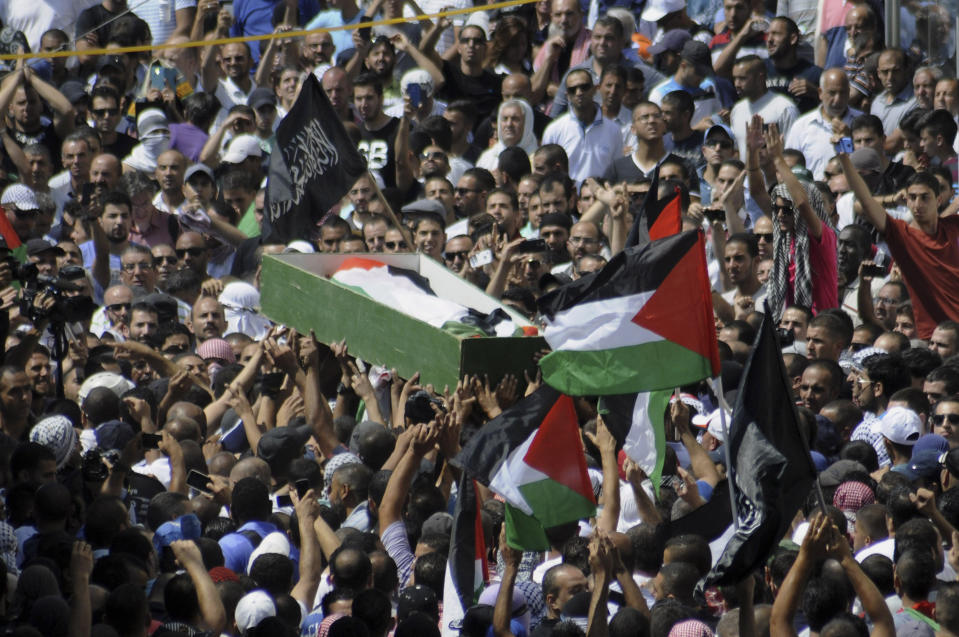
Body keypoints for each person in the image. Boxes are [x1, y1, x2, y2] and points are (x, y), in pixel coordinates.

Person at [838, 148, 959, 340]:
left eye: (924, 197)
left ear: (939, 200)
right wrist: (844, 160)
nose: (917, 204)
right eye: (912, 197)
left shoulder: (953, 226)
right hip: (927, 340)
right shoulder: (901, 234)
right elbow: (866, 202)